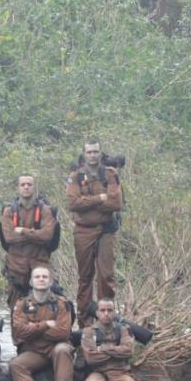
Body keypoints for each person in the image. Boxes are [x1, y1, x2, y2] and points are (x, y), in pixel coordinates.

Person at [66, 140, 123, 327]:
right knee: (85, 278)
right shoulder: (76, 176)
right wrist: (99, 198)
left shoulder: (110, 174)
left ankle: (106, 320)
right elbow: (73, 203)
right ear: (84, 154)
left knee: (106, 276)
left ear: (100, 153)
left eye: (95, 152)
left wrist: (87, 204)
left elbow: (116, 203)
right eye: (89, 152)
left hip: (106, 230)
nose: (92, 155)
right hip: (83, 231)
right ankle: (84, 322)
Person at [10, 266, 75, 381]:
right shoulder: (21, 304)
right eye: (37, 277)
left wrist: (33, 329)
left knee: (63, 349)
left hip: (55, 347)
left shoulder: (61, 303)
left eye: (45, 277)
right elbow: (19, 331)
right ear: (31, 282)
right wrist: (45, 325)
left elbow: (63, 332)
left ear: (50, 281)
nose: (41, 279)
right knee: (16, 364)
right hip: (34, 351)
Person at [80, 297, 142, 381]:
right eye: (102, 310)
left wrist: (102, 348)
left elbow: (128, 351)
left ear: (114, 312)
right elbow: (91, 358)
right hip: (98, 373)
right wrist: (115, 351)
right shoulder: (89, 332)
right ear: (97, 313)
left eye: (110, 310)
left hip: (120, 373)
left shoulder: (123, 329)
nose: (106, 314)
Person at [0, 174, 57, 311]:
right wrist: (35, 234)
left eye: (29, 184)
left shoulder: (45, 210)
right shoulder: (9, 211)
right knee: (15, 307)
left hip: (40, 262)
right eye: (23, 184)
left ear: (34, 187)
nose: (26, 187)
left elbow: (47, 235)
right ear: (18, 188)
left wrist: (23, 231)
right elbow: (9, 237)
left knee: (48, 303)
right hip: (16, 266)